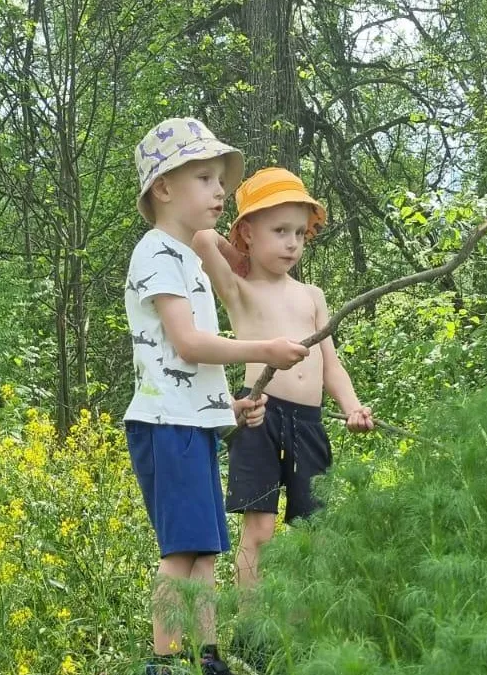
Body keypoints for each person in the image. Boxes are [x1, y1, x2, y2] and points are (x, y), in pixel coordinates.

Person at [124, 119, 310, 675]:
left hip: (191, 423)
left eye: (219, 180)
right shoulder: (156, 252)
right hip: (164, 426)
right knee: (179, 554)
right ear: (163, 188)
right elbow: (188, 343)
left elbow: (180, 363)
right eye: (204, 178)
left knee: (204, 551)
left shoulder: (189, 261)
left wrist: (227, 407)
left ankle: (207, 657)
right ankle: (165, 661)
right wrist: (264, 349)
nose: (219, 191)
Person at [191, 166, 374, 667]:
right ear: (249, 232)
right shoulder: (240, 287)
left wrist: (352, 406)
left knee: (313, 527)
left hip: (309, 422)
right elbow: (200, 233)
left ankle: (303, 625)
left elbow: (330, 365)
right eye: (278, 231)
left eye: (299, 232)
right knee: (261, 527)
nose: (292, 243)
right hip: (260, 412)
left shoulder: (311, 296)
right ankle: (253, 628)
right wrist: (241, 252)